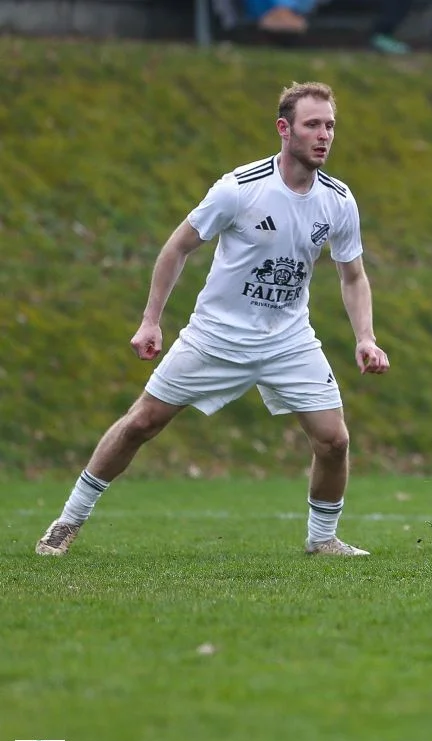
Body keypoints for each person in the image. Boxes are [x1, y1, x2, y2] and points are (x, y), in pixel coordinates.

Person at [36, 82, 390, 558]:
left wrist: (365, 337)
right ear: (284, 129)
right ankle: (67, 522)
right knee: (141, 423)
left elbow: (353, 275)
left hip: (288, 341)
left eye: (329, 125)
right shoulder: (239, 189)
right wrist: (151, 321)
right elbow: (177, 247)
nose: (324, 135)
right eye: (312, 125)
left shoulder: (338, 200)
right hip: (215, 337)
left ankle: (322, 540)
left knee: (334, 441)